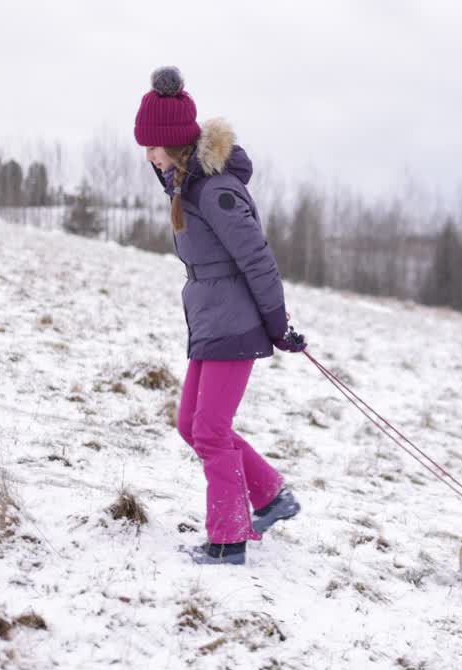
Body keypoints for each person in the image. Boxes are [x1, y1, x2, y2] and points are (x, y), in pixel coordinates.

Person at [134, 66, 306, 565]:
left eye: (153, 146)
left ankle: (228, 540)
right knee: (191, 424)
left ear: (175, 144)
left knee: (210, 431)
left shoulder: (215, 192)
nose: (148, 155)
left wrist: (277, 325)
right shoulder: (185, 187)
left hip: (237, 325)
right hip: (211, 322)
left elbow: (257, 259)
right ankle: (272, 497)